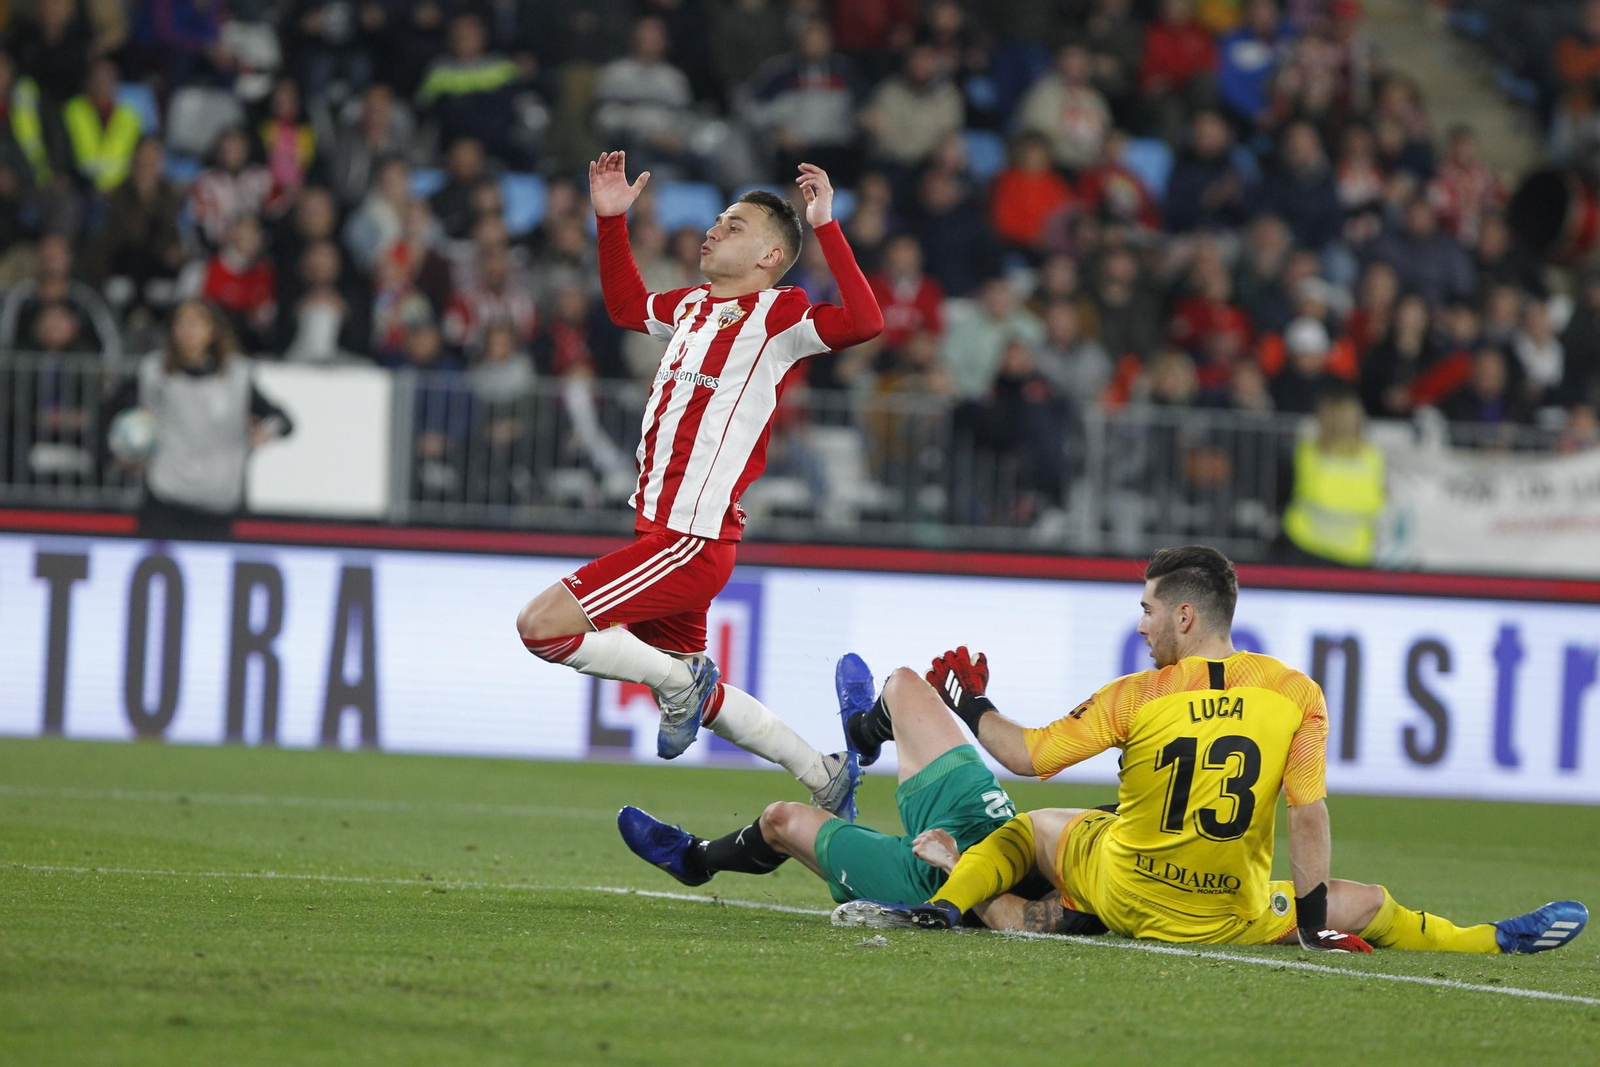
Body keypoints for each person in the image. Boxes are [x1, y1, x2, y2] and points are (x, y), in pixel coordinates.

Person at [834, 547, 1589, 956]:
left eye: (1148, 609)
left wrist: (974, 703)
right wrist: (1316, 924)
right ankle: (1495, 939)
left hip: (1129, 890)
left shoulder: (1140, 693)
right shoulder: (1296, 693)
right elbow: (1309, 818)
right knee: (1377, 904)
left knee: (1030, 829)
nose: (1142, 624)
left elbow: (1027, 757)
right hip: (1230, 911)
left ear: (1186, 615)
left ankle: (944, 898)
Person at [515, 151, 883, 816]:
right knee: (695, 687)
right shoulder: (689, 306)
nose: (713, 229)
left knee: (542, 627)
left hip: (689, 537)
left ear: (771, 256)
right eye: (717, 219)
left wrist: (825, 224)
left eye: (734, 225)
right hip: (660, 530)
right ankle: (822, 771)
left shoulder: (779, 315)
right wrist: (609, 222)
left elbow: (865, 321)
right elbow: (627, 305)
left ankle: (682, 684)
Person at [618, 654, 1108, 937]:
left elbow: (1020, 924)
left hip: (946, 878)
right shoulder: (1140, 816)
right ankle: (863, 731)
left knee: (782, 820)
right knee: (904, 683)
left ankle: (695, 860)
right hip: (993, 825)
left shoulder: (1119, 887)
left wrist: (955, 865)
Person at [115, 300, 294, 541]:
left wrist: (265, 432)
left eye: (196, 322)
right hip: (166, 493)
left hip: (218, 497)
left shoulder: (236, 376)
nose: (187, 330)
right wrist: (125, 448)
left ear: (213, 330)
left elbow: (283, 421)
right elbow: (116, 409)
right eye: (181, 323)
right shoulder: (154, 371)